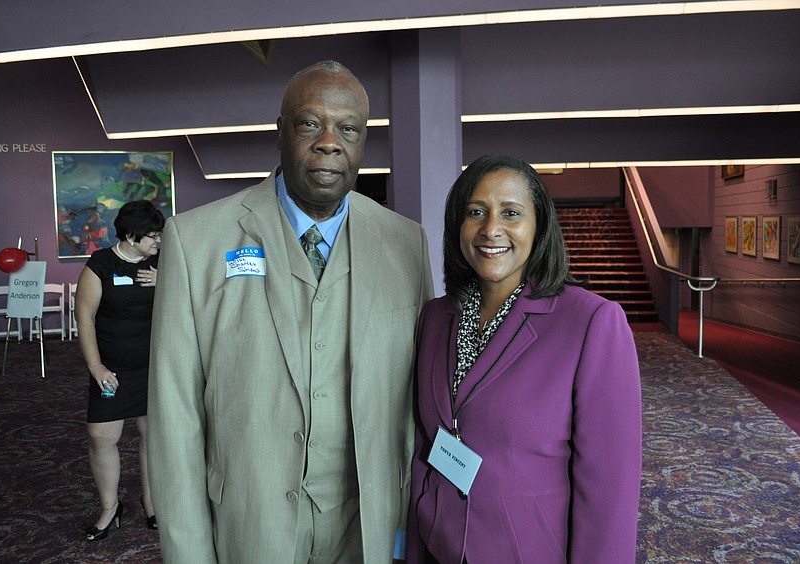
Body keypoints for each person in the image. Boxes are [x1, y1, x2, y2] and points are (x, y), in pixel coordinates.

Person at [147, 60, 434, 563]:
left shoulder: (405, 242)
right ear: (280, 133)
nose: (330, 141)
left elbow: (417, 404)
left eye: (348, 128)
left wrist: (407, 535)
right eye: (310, 123)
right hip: (249, 522)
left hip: (367, 525)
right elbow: (175, 417)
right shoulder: (195, 240)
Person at [407, 154, 642, 563]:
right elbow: (425, 445)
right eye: (475, 212)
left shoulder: (591, 322)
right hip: (438, 543)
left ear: (539, 226)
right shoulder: (436, 316)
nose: (490, 229)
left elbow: (610, 489)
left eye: (511, 213)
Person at [76, 199, 164, 541]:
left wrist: (165, 280)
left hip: (153, 367)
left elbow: (191, 299)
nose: (157, 242)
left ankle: (151, 503)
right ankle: (110, 509)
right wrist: (96, 366)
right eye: (152, 237)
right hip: (111, 369)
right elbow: (84, 318)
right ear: (130, 235)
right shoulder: (100, 264)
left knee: (152, 438)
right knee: (101, 436)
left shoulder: (162, 264)